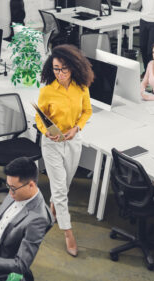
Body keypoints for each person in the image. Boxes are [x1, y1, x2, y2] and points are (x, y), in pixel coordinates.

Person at [36, 44, 94, 257]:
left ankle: (52, 210)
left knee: (64, 186)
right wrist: (45, 130)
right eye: (55, 69)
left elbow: (87, 111)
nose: (59, 74)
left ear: (74, 67)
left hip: (73, 142)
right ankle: (68, 233)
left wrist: (77, 127)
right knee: (60, 189)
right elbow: (39, 116)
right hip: (52, 144)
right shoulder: (48, 90)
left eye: (63, 69)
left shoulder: (82, 87)